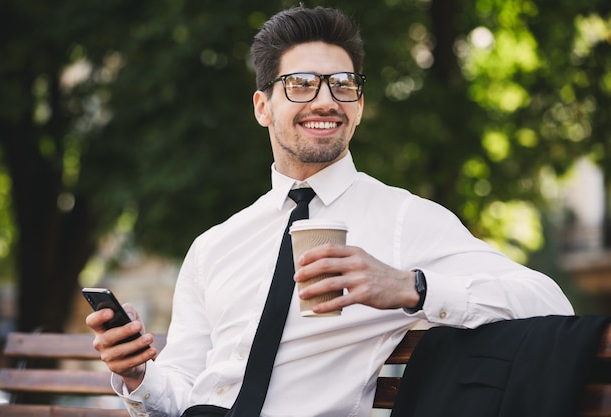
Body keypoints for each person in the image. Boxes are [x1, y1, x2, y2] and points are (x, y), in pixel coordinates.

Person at [86, 5, 574, 417]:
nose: (325, 100)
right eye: (300, 84)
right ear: (262, 106)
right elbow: (184, 388)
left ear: (358, 106)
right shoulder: (215, 245)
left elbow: (548, 300)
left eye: (342, 84)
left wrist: (411, 286)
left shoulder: (403, 220)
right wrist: (136, 374)